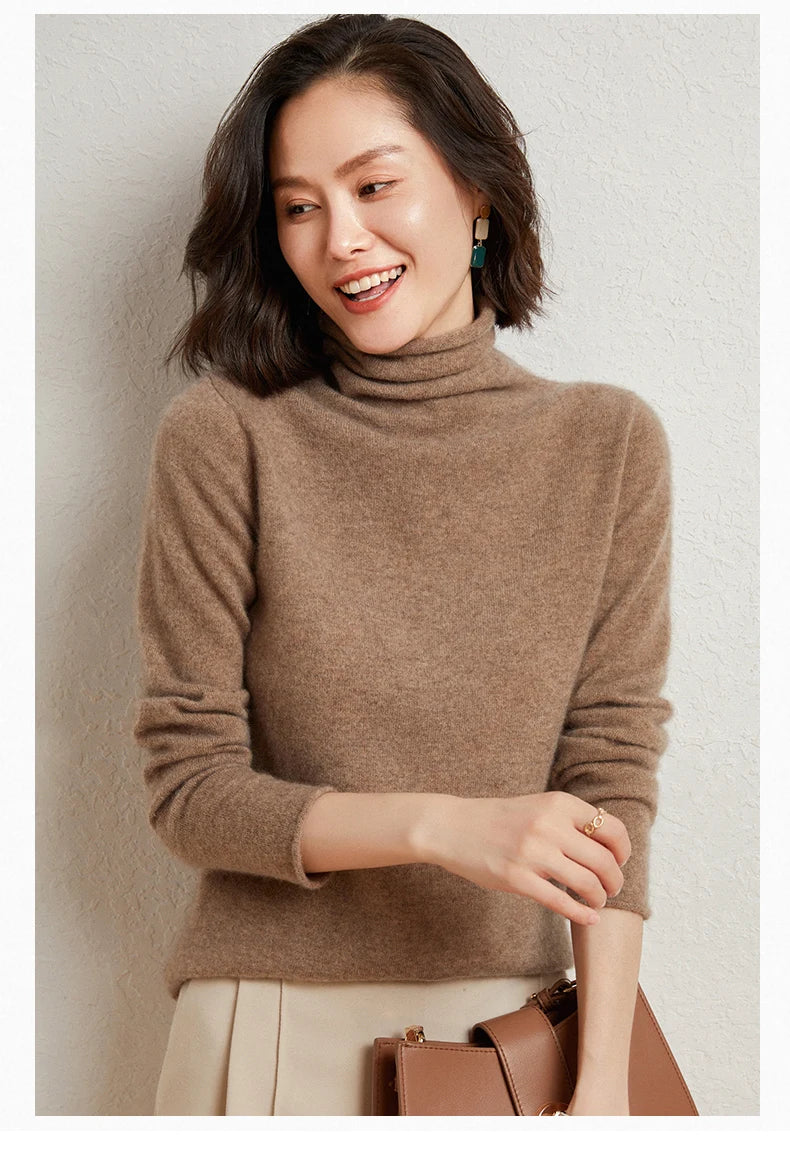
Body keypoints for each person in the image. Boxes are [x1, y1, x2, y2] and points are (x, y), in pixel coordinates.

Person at [133, 14, 674, 1117]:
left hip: (515, 1039)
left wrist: (605, 1079)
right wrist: (448, 826)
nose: (341, 239)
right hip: (266, 1022)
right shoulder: (226, 436)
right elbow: (190, 790)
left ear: (476, 194)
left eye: (375, 186)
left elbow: (610, 774)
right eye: (299, 207)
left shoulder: (607, 443)